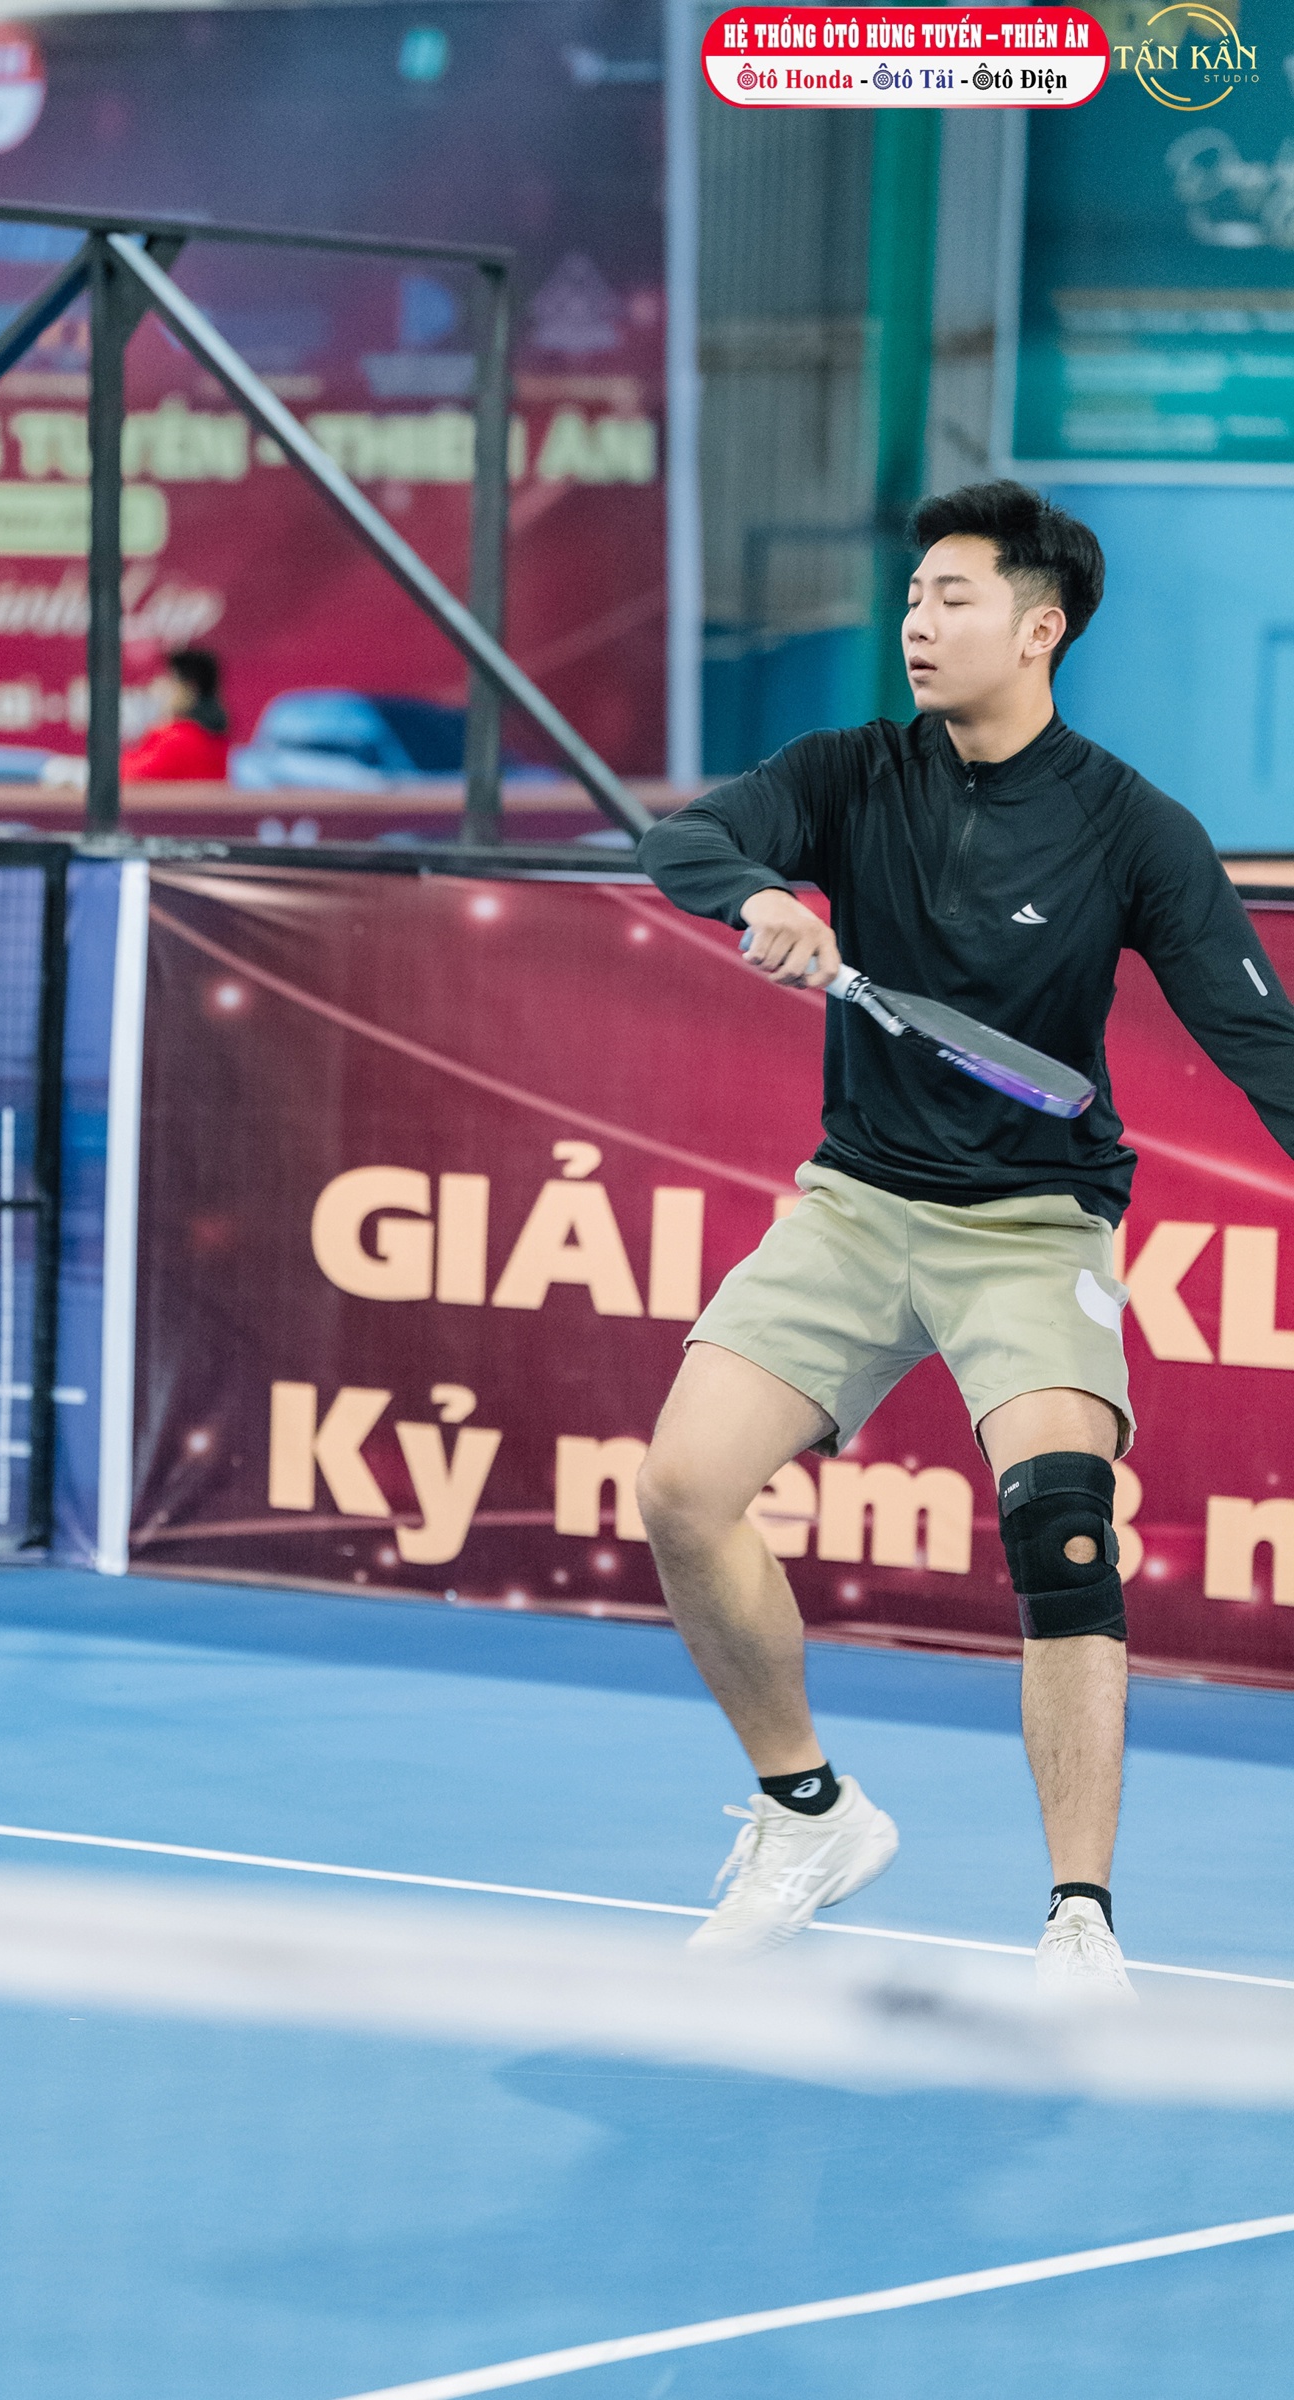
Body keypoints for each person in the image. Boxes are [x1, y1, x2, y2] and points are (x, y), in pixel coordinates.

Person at [636, 479, 1294, 1998]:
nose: (918, 623)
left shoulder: (1135, 828)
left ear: (1040, 628)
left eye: (955, 597)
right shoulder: (849, 773)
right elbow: (687, 840)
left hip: (1034, 1223)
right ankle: (808, 1813)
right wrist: (758, 896)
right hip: (859, 1201)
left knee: (1062, 1524)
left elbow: (1259, 1040)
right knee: (681, 1491)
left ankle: (1080, 1919)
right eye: (914, 597)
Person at [119, 647, 229, 783]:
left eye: (168, 678)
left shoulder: (179, 739)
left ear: (190, 687)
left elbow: (121, 774)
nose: (157, 684)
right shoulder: (212, 735)